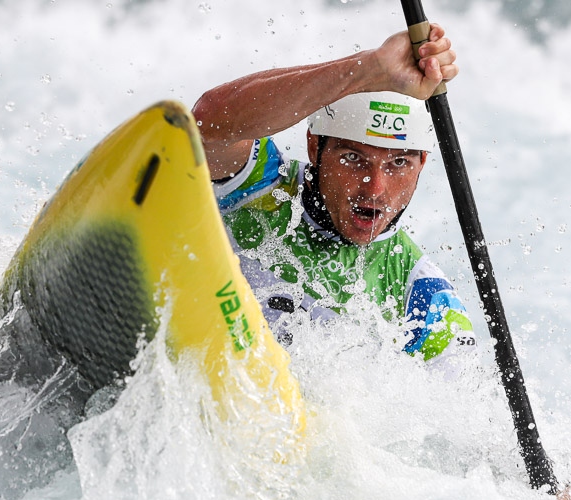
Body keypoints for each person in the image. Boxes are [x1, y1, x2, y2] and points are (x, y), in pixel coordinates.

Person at [192, 23, 476, 364]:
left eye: (398, 163)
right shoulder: (260, 185)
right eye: (353, 158)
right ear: (314, 147)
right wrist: (370, 69)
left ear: (422, 164)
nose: (375, 187)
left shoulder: (424, 297)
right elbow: (207, 123)